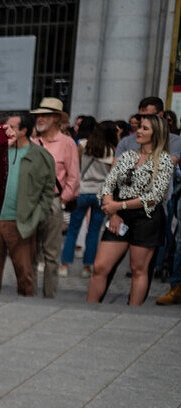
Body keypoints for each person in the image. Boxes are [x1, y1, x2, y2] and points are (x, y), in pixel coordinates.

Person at [89, 115, 172, 306]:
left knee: (138, 269)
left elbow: (154, 197)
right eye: (139, 128)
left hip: (147, 217)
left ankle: (133, 313)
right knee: (100, 267)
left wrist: (119, 206)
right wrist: (114, 213)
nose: (139, 132)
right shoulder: (128, 156)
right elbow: (107, 186)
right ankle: (89, 309)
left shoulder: (164, 160)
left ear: (156, 133)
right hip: (119, 215)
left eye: (145, 129)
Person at [0, 112, 55, 296]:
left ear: (24, 130)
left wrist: (35, 218)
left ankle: (27, 309)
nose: (6, 130)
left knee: (24, 273)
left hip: (21, 223)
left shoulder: (40, 156)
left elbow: (47, 191)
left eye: (12, 127)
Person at [29, 97, 80, 298]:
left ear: (56, 118)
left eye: (45, 115)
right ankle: (29, 295)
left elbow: (73, 177)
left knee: (51, 255)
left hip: (53, 201)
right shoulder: (33, 142)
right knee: (31, 253)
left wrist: (62, 201)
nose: (40, 118)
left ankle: (49, 297)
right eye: (38, 115)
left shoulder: (67, 143)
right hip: (32, 202)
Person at [62, 121, 116, 278]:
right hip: (101, 194)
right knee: (93, 232)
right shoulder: (112, 151)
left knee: (73, 229)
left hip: (83, 191)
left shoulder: (84, 145)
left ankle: (64, 265)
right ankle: (87, 267)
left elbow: (77, 167)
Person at [116, 97, 181, 159]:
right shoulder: (126, 141)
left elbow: (170, 165)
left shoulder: (175, 141)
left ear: (160, 115)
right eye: (139, 117)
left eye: (147, 116)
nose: (142, 120)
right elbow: (116, 166)